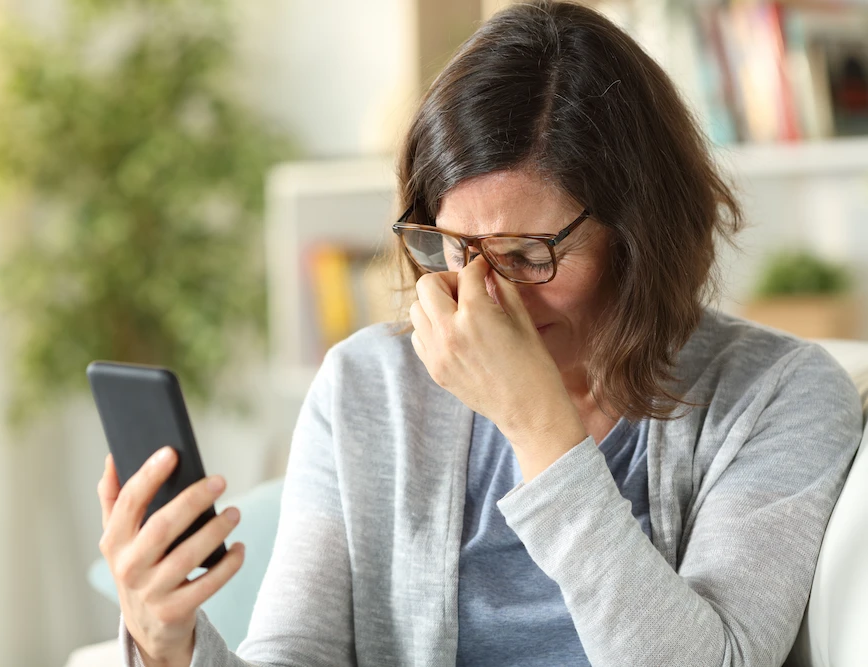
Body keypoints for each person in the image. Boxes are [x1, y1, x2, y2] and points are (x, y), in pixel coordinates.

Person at [96, 2, 864, 666]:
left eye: (531, 254)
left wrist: (539, 427)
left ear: (641, 235)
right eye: (457, 249)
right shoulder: (368, 386)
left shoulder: (779, 395)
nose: (485, 296)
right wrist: (169, 643)